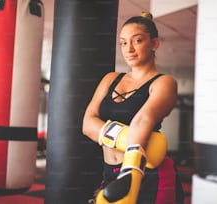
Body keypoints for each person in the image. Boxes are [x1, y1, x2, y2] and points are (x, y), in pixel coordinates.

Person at [83, 11, 183, 204]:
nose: (128, 49)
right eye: (123, 42)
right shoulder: (111, 78)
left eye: (137, 41)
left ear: (154, 43)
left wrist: (131, 173)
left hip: (149, 174)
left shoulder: (163, 82)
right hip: (110, 171)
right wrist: (123, 138)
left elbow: (142, 120)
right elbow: (87, 124)